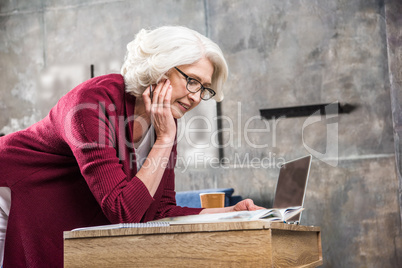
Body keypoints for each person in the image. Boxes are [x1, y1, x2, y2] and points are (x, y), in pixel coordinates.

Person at [0, 26, 261, 267]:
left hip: (47, 201)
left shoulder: (165, 120)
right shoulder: (89, 104)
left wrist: (230, 213)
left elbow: (161, 210)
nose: (196, 97)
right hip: (9, 193)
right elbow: (123, 212)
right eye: (192, 81)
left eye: (204, 88)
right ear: (159, 68)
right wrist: (164, 141)